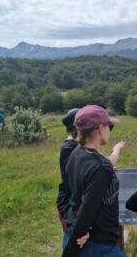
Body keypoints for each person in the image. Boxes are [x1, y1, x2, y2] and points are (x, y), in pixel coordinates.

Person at [62, 105, 125, 257]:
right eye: (109, 126)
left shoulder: (76, 154)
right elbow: (86, 211)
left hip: (80, 236)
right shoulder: (99, 167)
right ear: (100, 128)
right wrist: (70, 250)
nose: (110, 129)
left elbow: (69, 194)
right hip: (97, 246)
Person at [57, 108, 80, 248]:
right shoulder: (69, 148)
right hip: (68, 200)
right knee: (70, 235)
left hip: (73, 198)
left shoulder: (75, 145)